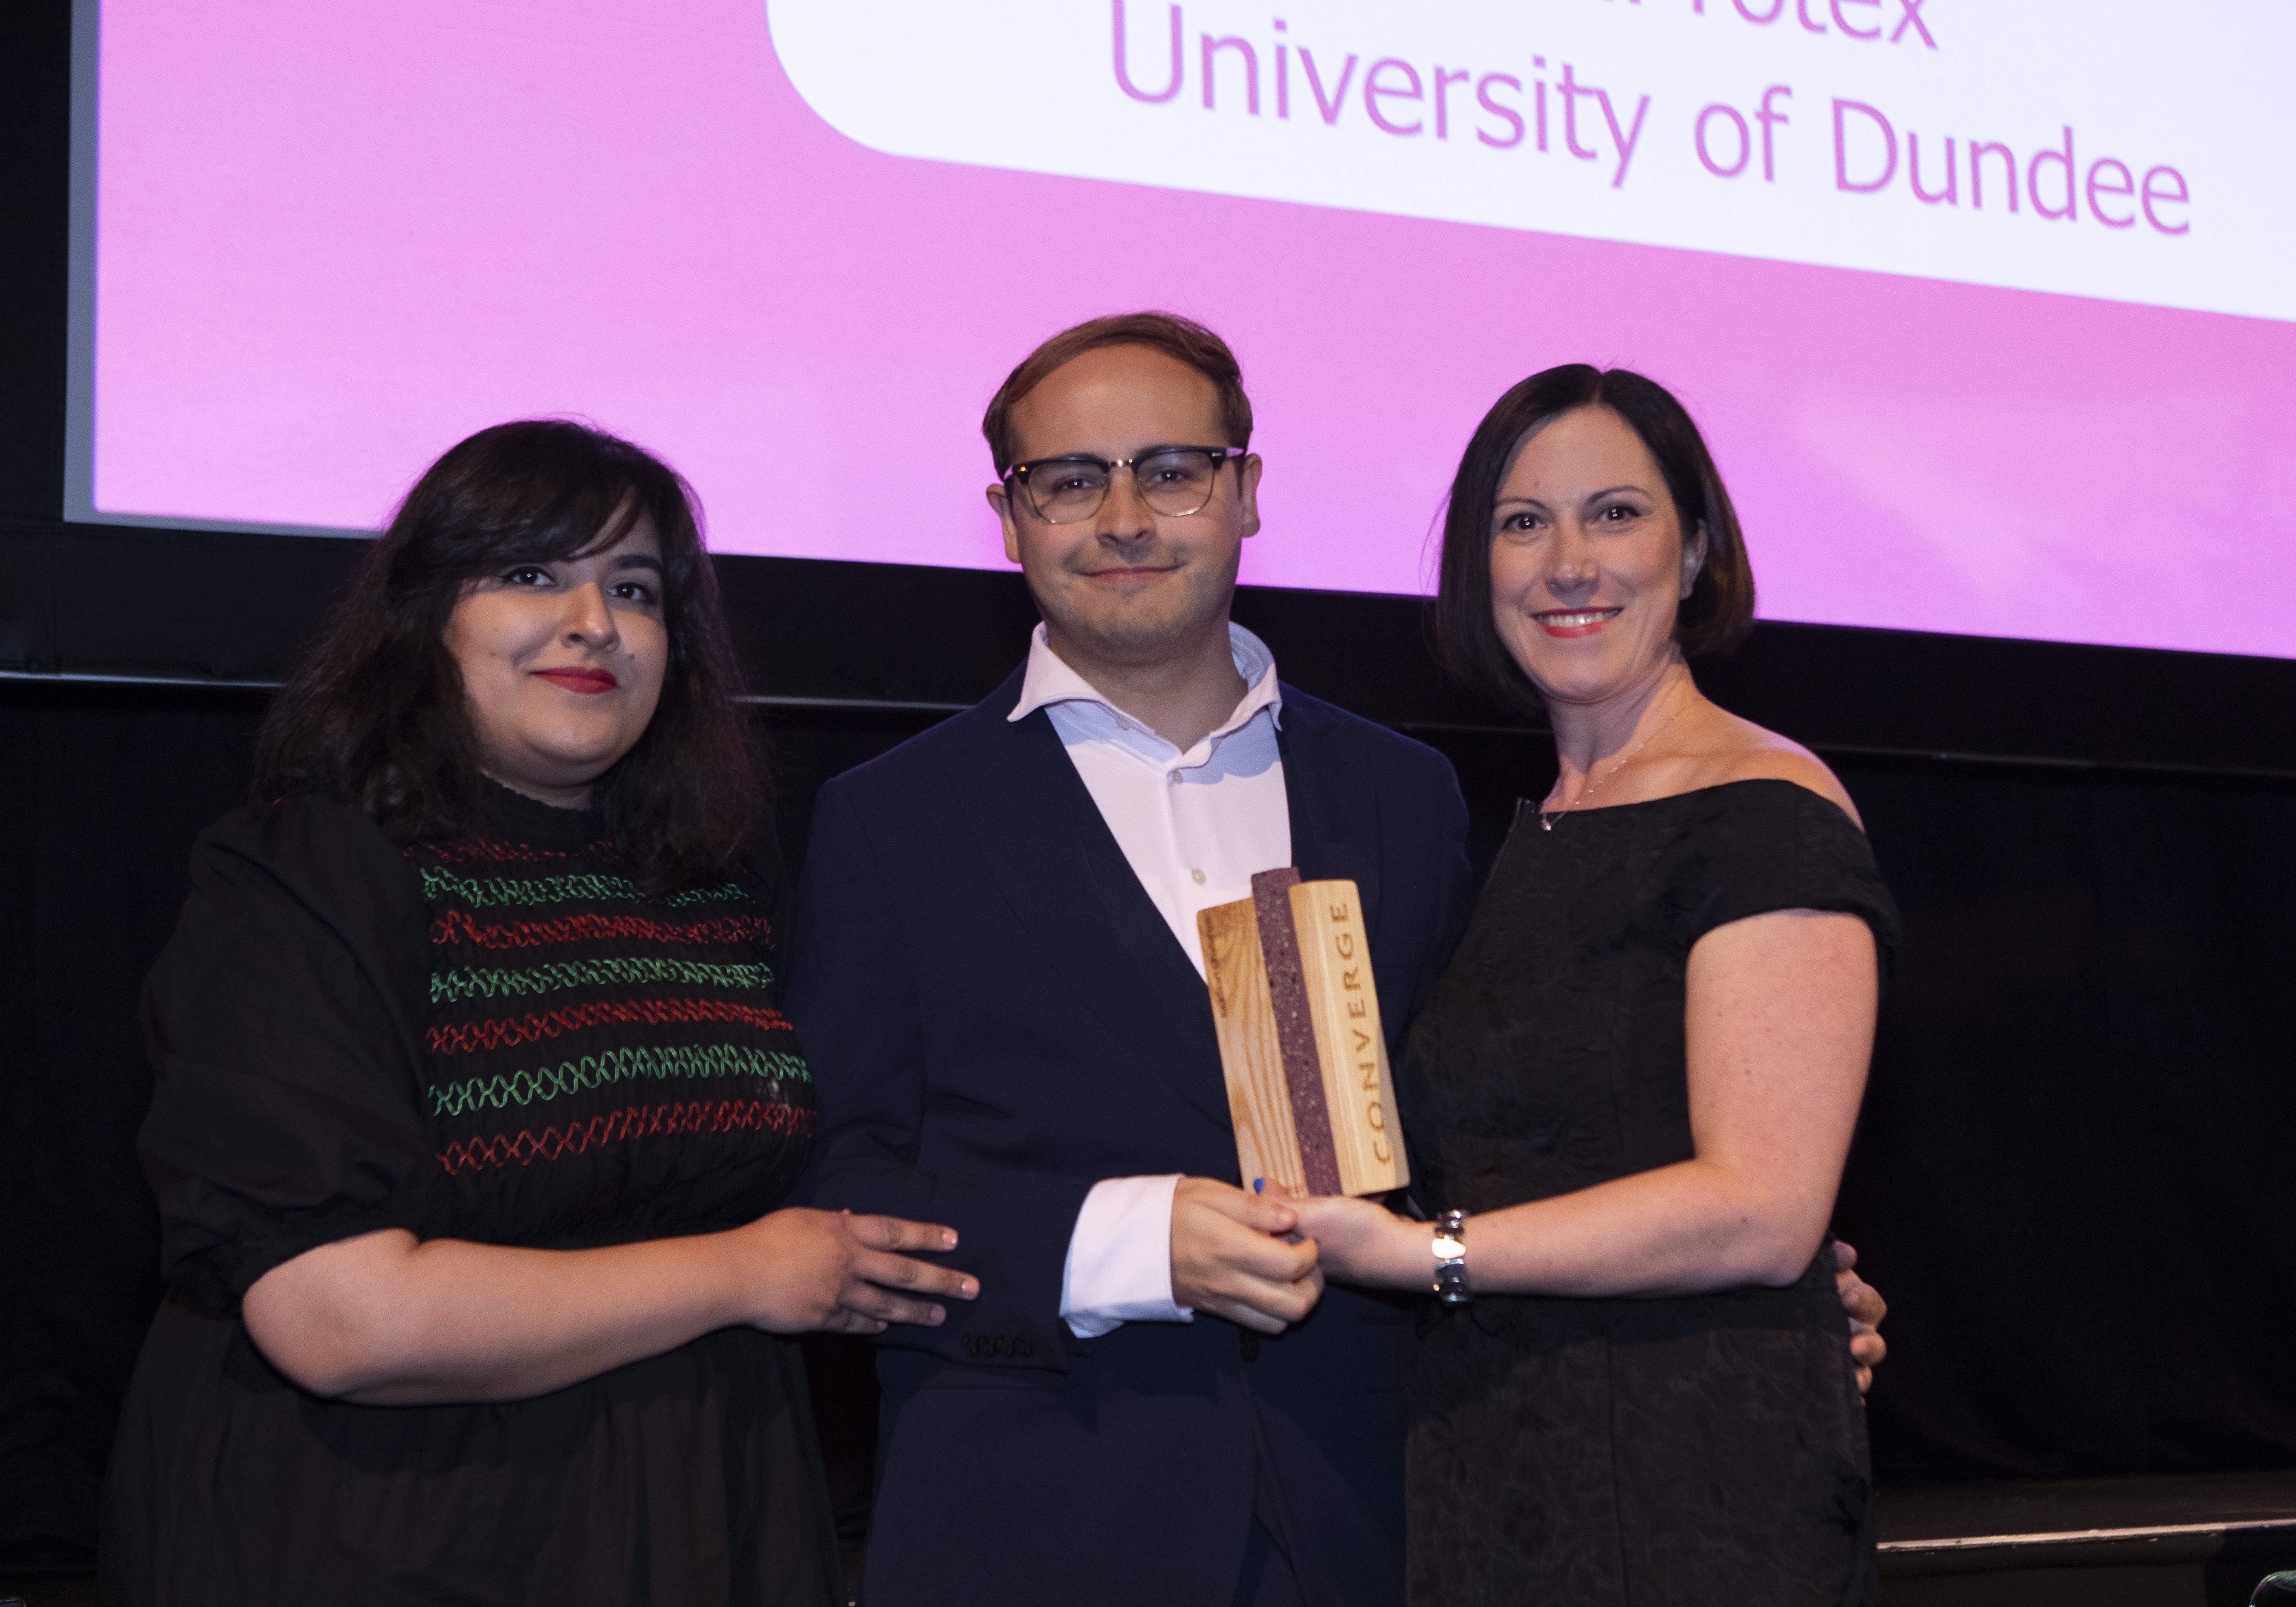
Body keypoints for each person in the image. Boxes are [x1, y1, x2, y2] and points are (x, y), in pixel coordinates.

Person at [788, 318, 1885, 1607]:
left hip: (1389, 1515)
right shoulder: (892, 818)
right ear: (1009, 516)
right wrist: (1129, 1244)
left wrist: (1766, 1274)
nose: (1127, 516)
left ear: (1248, 492)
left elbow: (1476, 1141)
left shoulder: (1403, 795)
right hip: (1041, 1527)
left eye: (1174, 469)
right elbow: (841, 1185)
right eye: (1071, 480)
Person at [99, 419, 975, 1606]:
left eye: (634, 587)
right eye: (529, 574)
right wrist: (743, 1273)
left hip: (699, 1512)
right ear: (427, 618)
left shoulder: (707, 887)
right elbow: (337, 1316)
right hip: (390, 1528)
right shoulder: (310, 876)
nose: (594, 622)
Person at [1289, 366, 1897, 1604]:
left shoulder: (1765, 808)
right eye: (1524, 524)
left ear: (1696, 550)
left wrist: (1429, 1258)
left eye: (1616, 513)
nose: (1570, 563)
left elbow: (1762, 1212)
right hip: (1499, 1472)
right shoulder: (1518, 837)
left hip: (1692, 1494)